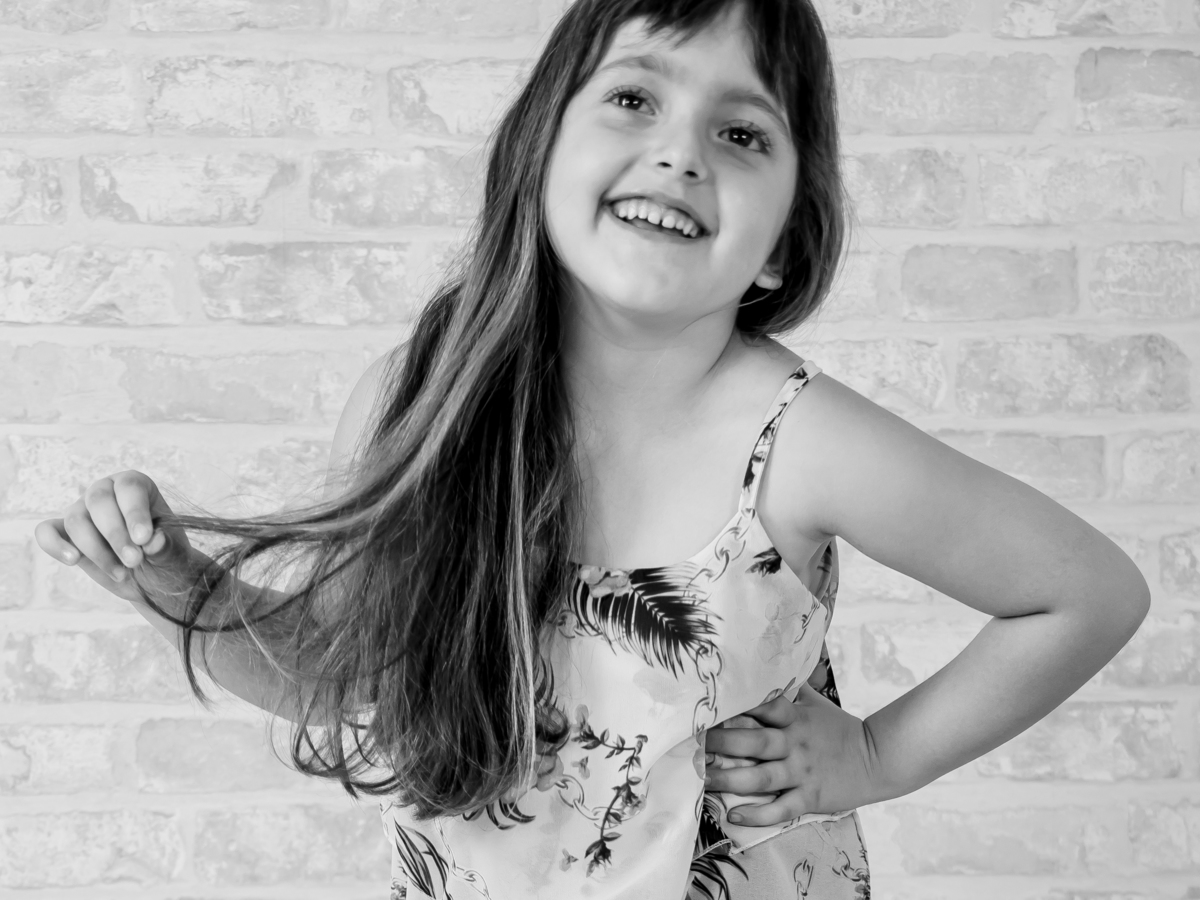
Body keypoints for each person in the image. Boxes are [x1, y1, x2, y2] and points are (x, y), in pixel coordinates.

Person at [34, 0, 1151, 897]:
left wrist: (875, 756)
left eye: (742, 133)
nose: (679, 154)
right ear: (541, 149)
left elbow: (1085, 594)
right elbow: (343, 680)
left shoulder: (801, 440)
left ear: (782, 243)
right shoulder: (425, 402)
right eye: (632, 98)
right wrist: (170, 581)